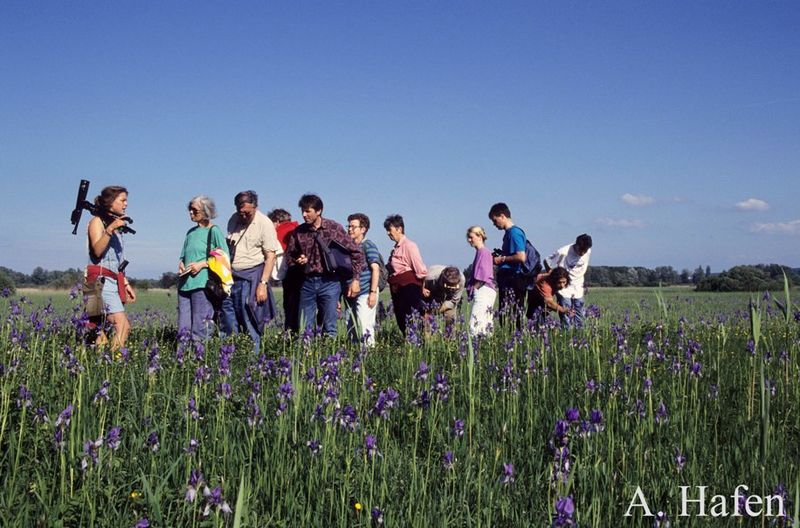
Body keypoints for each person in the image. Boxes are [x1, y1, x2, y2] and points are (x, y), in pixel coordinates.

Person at [285, 194, 365, 337]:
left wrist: (356, 279)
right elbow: (289, 257)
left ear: (319, 211)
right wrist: (298, 260)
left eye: (308, 211)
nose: (304, 215)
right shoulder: (299, 232)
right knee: (305, 328)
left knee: (330, 328)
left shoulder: (333, 228)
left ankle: (331, 357)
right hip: (307, 283)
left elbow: (357, 253)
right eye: (302, 211)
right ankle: (307, 357)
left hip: (330, 282)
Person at [220, 190, 281, 351]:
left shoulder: (265, 223)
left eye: (248, 212)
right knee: (229, 319)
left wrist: (262, 284)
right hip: (231, 277)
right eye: (241, 212)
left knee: (250, 320)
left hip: (252, 276)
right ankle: (231, 356)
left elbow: (271, 256)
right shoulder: (233, 219)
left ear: (255, 207)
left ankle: (253, 362)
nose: (244, 216)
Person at [85, 185, 136, 350]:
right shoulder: (97, 222)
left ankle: (98, 369)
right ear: (109, 203)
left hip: (111, 280)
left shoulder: (116, 228)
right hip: (98, 282)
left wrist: (126, 284)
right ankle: (114, 364)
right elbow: (97, 251)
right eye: (122, 200)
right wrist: (110, 229)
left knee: (100, 333)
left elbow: (117, 261)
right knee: (122, 326)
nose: (126, 204)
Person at [177, 196, 228, 340]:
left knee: (200, 326)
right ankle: (182, 357)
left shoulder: (214, 231)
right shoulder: (190, 233)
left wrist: (202, 264)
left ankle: (199, 356)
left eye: (194, 210)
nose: (191, 213)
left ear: (206, 211)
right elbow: (183, 255)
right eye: (190, 210)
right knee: (183, 326)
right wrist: (181, 263)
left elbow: (224, 257)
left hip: (202, 283)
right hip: (185, 284)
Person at [384, 214, 428, 336]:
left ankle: (417, 347)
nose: (388, 233)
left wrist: (423, 286)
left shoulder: (409, 245)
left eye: (390, 230)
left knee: (412, 319)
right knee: (402, 320)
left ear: (399, 229)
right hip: (398, 288)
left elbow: (420, 269)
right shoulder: (396, 248)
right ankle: (409, 346)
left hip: (409, 288)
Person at [345, 213, 382, 346]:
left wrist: (373, 293)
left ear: (363, 229)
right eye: (348, 226)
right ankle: (355, 356)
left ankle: (368, 357)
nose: (349, 229)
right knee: (350, 327)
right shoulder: (348, 247)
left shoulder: (368, 245)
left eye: (353, 227)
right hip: (350, 294)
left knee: (364, 326)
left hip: (366, 291)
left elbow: (375, 269)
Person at [488, 202, 528, 328]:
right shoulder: (509, 233)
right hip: (509, 278)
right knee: (506, 316)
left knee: (511, 316)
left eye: (495, 220)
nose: (494, 224)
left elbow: (521, 256)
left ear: (502, 216)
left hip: (513, 279)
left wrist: (502, 259)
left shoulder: (514, 233)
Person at [545, 234, 592, 328]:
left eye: (585, 250)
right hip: (564, 289)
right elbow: (547, 261)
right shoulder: (563, 252)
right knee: (566, 316)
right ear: (576, 245)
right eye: (581, 250)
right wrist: (553, 277)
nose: (582, 253)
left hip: (578, 288)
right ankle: (566, 336)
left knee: (579, 316)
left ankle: (579, 336)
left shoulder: (588, 251)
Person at [268, 208, 302, 333]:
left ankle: (290, 337)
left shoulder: (277, 232)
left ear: (276, 221)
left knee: (290, 308)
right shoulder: (298, 228)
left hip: (291, 274)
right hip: (305, 276)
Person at [466, 225, 497, 336]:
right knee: (485, 323)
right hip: (486, 289)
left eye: (471, 237)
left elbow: (483, 275)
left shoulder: (484, 252)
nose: (469, 240)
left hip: (483, 289)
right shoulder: (482, 252)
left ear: (479, 237)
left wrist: (474, 288)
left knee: (475, 323)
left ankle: (474, 349)